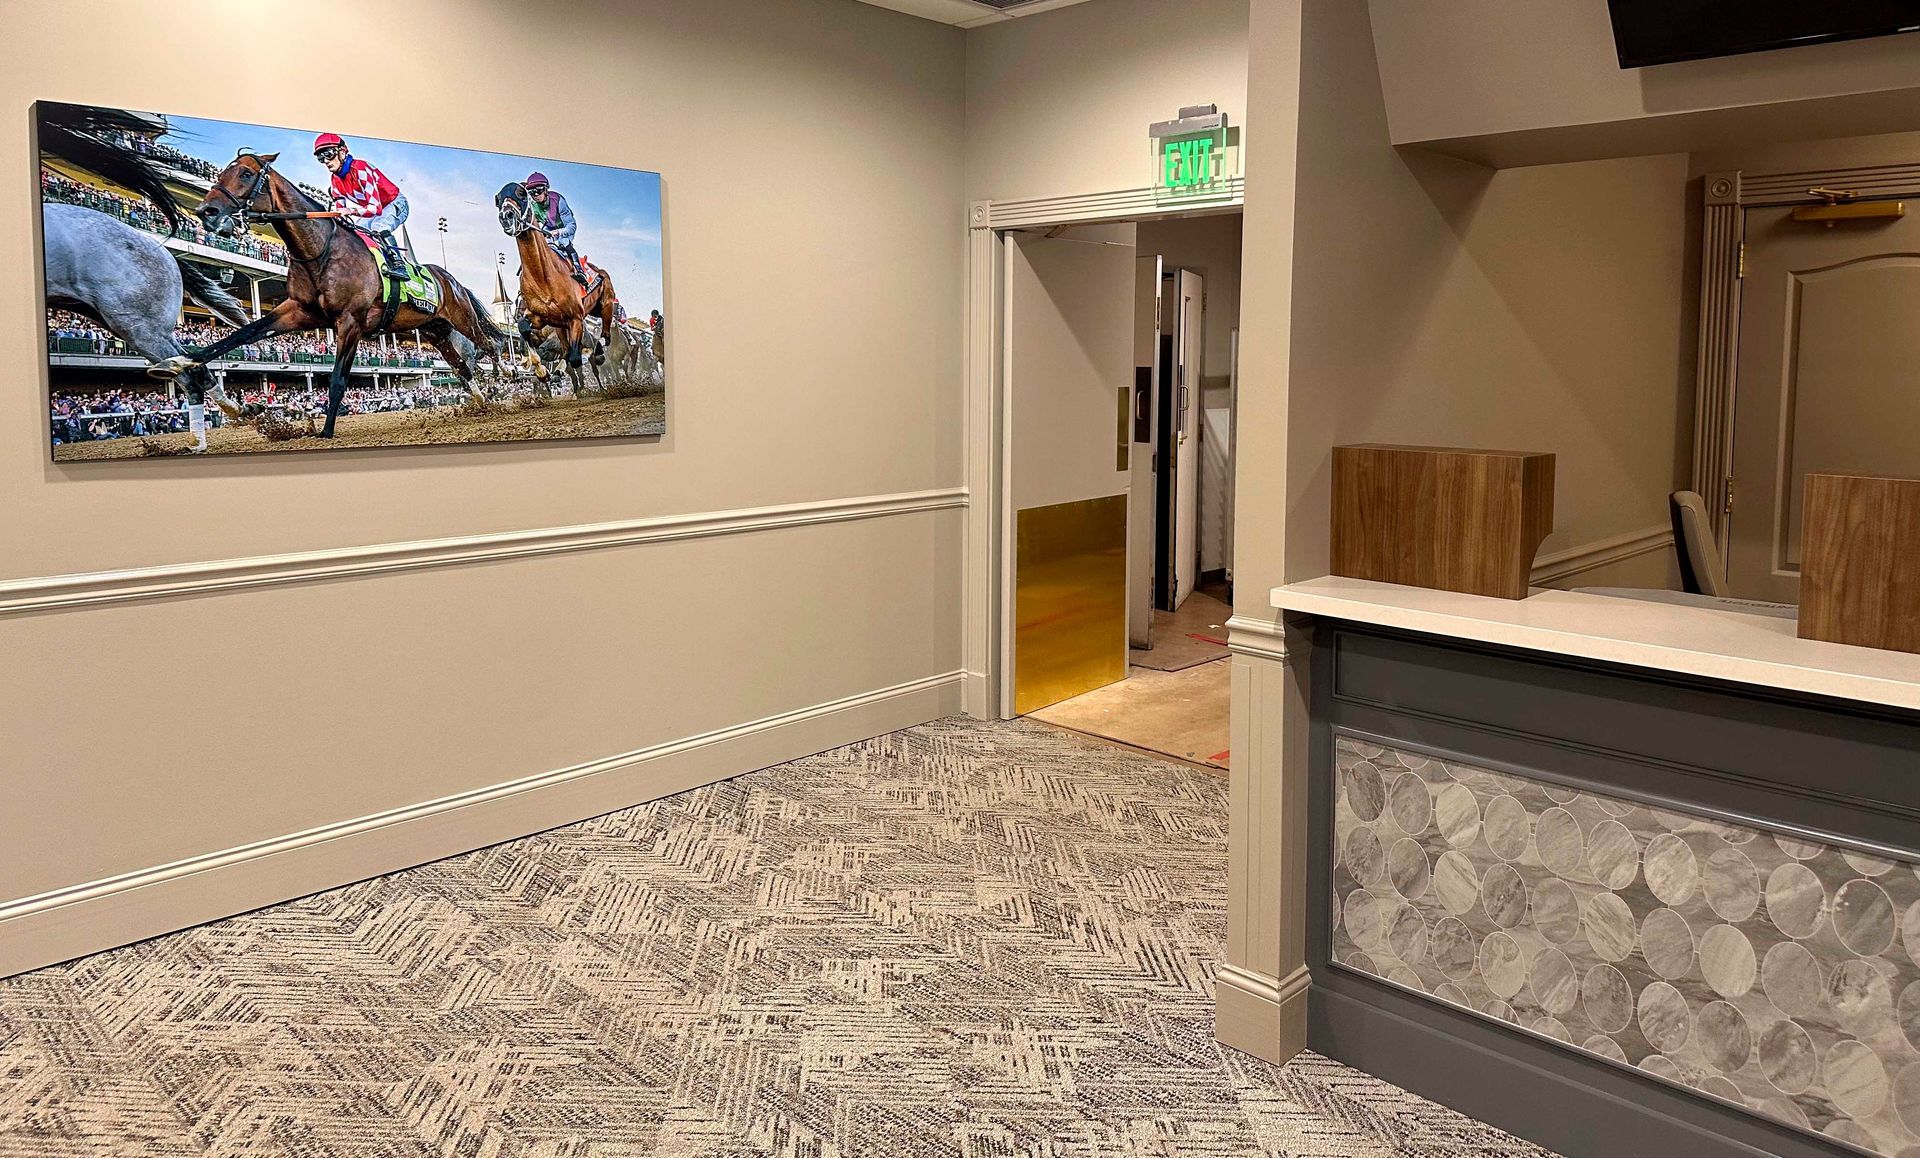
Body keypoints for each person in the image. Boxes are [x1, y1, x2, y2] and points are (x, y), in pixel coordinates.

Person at [313, 133, 411, 278]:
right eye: (321, 158)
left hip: (394, 203)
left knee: (379, 228)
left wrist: (350, 210)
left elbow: (375, 208)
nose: (326, 161)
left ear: (342, 151)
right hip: (374, 210)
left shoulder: (361, 168)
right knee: (355, 235)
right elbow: (341, 214)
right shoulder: (335, 180)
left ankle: (399, 265)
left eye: (328, 154)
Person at [523, 171, 587, 286]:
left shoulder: (558, 200)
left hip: (565, 226)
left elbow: (571, 226)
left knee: (563, 242)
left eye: (539, 190)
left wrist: (558, 232)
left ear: (546, 189)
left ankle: (579, 270)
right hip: (549, 227)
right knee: (544, 246)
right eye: (532, 193)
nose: (536, 195)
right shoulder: (534, 206)